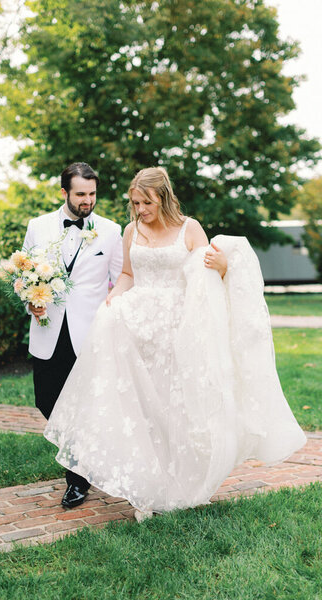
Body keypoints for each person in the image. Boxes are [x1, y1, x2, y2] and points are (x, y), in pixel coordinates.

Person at [44, 166, 306, 521]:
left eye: (146, 202)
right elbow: (127, 275)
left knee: (178, 411)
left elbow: (208, 277)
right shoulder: (131, 230)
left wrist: (225, 265)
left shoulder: (190, 228)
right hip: (137, 329)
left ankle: (187, 486)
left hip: (179, 332)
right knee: (145, 413)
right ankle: (146, 491)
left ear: (163, 197)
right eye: (135, 202)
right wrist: (115, 297)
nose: (140, 209)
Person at [23, 162, 123, 508]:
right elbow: (25, 275)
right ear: (64, 192)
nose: (88, 201)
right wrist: (31, 304)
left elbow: (122, 279)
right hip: (48, 330)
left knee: (83, 405)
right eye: (81, 194)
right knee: (45, 399)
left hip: (90, 334)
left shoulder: (110, 231)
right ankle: (84, 454)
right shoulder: (38, 227)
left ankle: (77, 479)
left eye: (92, 194)